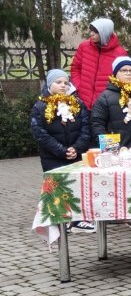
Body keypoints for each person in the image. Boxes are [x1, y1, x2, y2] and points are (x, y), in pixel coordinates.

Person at [31, 69, 92, 232]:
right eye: (58, 82)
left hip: (75, 154)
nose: (63, 85)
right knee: (57, 188)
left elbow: (86, 128)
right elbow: (40, 133)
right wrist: (61, 150)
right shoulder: (40, 106)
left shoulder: (77, 103)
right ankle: (59, 221)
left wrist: (76, 148)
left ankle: (78, 220)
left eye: (66, 83)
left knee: (77, 186)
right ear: (50, 84)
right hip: (52, 156)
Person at [70, 18, 129, 110]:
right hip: (83, 100)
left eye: (95, 31)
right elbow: (75, 68)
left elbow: (123, 78)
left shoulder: (120, 53)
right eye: (91, 30)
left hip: (105, 104)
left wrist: (111, 95)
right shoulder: (84, 47)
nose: (91, 34)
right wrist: (78, 85)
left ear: (104, 33)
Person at [91, 56, 131, 150]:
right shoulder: (105, 97)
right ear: (115, 74)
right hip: (116, 151)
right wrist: (112, 148)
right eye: (124, 70)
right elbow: (97, 125)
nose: (128, 73)